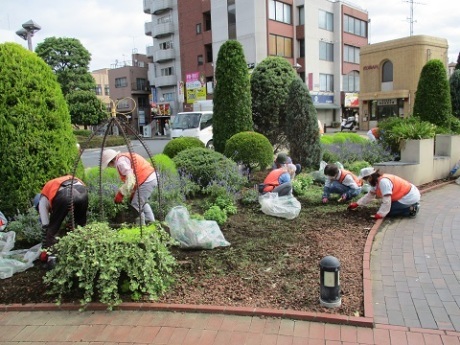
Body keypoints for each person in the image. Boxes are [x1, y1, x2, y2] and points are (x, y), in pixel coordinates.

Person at [34, 175, 88, 262]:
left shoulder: (42, 201)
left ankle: (51, 259)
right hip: (82, 191)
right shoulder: (50, 191)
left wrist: (45, 248)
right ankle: (84, 254)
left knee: (52, 230)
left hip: (64, 193)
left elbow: (46, 226)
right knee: (81, 226)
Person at [101, 149, 157, 225]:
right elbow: (134, 178)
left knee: (136, 205)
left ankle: (142, 229)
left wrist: (121, 194)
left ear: (111, 161)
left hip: (146, 179)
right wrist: (133, 193)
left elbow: (130, 179)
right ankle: (152, 223)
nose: (110, 167)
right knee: (141, 203)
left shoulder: (120, 163)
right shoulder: (122, 157)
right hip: (150, 177)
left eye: (108, 165)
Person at [348, 167, 420, 219]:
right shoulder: (376, 182)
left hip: (409, 196)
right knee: (385, 209)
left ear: (370, 177)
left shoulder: (383, 182)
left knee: (389, 212)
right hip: (405, 195)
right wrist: (357, 203)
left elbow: (387, 200)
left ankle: (411, 208)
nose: (364, 181)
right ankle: (406, 206)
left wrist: (380, 214)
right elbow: (370, 195)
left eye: (365, 179)